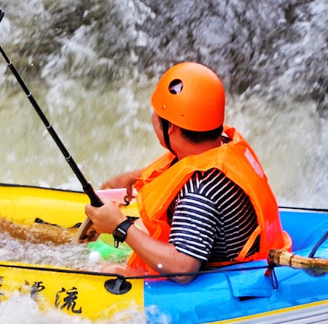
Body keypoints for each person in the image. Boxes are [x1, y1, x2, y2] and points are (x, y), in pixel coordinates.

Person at [84, 62, 290, 282]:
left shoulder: (200, 192)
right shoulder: (222, 145)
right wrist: (131, 179)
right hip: (226, 246)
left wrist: (120, 226)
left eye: (156, 113)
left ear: (170, 127)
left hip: (221, 277)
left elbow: (183, 269)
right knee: (138, 230)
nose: (153, 118)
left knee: (105, 271)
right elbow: (182, 171)